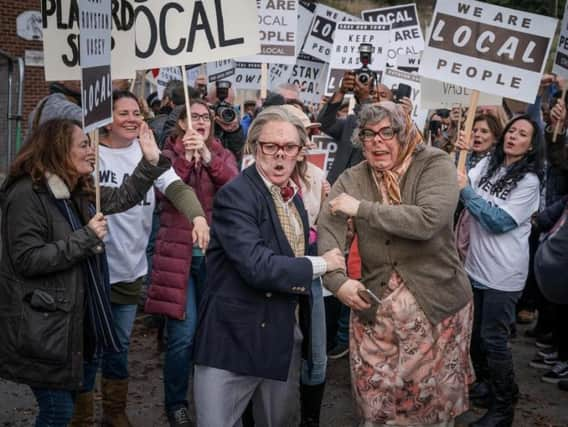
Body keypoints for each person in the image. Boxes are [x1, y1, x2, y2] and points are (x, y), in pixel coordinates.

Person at [0, 118, 172, 427]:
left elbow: (122, 197)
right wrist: (86, 238)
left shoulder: (75, 187)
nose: (91, 151)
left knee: (71, 408)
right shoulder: (27, 194)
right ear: (57, 149)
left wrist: (149, 162)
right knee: (57, 412)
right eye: (83, 144)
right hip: (46, 329)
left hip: (82, 321)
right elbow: (26, 258)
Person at [318, 102, 474, 427]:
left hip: (436, 307)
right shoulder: (353, 177)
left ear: (403, 134)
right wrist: (337, 281)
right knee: (374, 402)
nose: (377, 141)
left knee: (426, 406)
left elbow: (428, 220)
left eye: (387, 132)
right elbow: (330, 227)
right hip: (374, 307)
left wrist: (362, 209)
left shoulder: (435, 163)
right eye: (369, 134)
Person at [192, 106, 345, 427]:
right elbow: (258, 266)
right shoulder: (236, 195)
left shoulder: (294, 197)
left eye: (289, 147)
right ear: (254, 147)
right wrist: (321, 264)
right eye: (270, 146)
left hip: (279, 338)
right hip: (232, 341)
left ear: (301, 152)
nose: (280, 156)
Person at [74, 91, 208, 427]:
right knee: (89, 348)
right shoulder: (88, 152)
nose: (132, 119)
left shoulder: (147, 153)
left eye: (137, 112)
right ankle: (81, 416)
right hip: (92, 269)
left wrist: (197, 217)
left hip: (129, 269)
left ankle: (115, 413)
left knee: (118, 346)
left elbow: (177, 187)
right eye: (123, 113)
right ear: (107, 119)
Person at [145, 98, 238, 426]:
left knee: (212, 334)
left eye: (206, 118)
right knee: (183, 336)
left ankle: (211, 398)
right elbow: (163, 192)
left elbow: (234, 187)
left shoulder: (222, 153)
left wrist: (209, 158)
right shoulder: (167, 155)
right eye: (194, 116)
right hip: (179, 258)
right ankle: (176, 403)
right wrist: (185, 158)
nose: (201, 122)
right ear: (182, 122)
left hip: (215, 259)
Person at [458, 115, 542, 426]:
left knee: (494, 340)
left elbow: (499, 222)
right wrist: (462, 155)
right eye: (511, 131)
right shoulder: (490, 165)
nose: (513, 137)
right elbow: (460, 179)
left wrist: (467, 192)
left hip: (502, 275)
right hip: (475, 267)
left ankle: (504, 406)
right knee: (476, 336)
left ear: (531, 145)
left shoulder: (529, 181)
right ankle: (486, 385)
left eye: (522, 134)